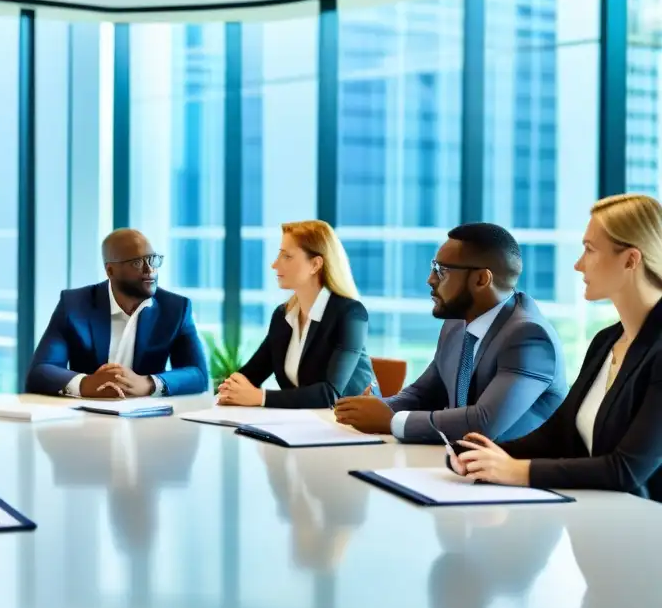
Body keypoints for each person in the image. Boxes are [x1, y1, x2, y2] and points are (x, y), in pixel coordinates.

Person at [451, 194, 662, 501]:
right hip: (598, 525)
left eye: (589, 250)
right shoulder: (607, 341)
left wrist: (514, 471)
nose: (578, 265)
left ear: (630, 259)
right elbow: (560, 435)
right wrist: (480, 456)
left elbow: (627, 470)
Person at [334, 223, 566, 444]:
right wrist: (375, 408)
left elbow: (483, 422)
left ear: (481, 279)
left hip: (516, 475)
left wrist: (391, 421)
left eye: (442, 271)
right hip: (462, 465)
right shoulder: (456, 325)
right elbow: (423, 394)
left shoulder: (529, 336)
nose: (430, 280)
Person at [25, 229, 208, 398]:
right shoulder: (75, 304)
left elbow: (198, 374)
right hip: (86, 418)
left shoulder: (176, 308)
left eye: (152, 259)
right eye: (137, 263)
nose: (150, 270)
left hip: (148, 421)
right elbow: (41, 370)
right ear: (110, 270)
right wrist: (86, 384)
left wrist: (149, 383)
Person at [217, 220, 376, 408]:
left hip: (352, 427)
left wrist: (260, 397)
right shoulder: (283, 316)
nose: (275, 265)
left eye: (287, 257)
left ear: (315, 264)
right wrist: (232, 388)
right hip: (303, 425)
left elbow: (330, 394)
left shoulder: (350, 315)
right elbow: (251, 374)